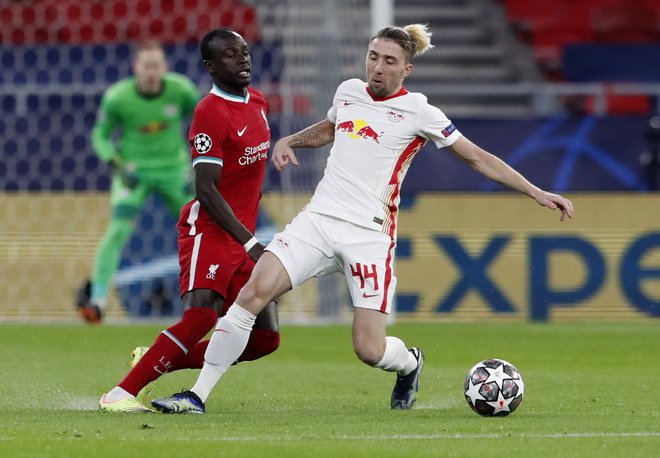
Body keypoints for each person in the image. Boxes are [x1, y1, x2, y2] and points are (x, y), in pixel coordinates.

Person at [151, 24, 574, 414]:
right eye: (373, 56)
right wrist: (291, 140)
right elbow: (333, 127)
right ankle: (197, 396)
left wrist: (536, 192)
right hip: (317, 220)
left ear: (406, 69)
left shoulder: (419, 111)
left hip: (370, 235)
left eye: (389, 61)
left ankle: (409, 363)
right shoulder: (349, 91)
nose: (377, 66)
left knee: (369, 350)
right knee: (252, 293)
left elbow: (477, 158)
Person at [98, 28, 280, 413]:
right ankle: (119, 395)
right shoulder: (209, 112)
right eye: (231, 55)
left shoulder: (259, 102)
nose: (243, 59)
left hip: (242, 237)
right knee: (201, 316)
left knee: (264, 340)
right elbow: (207, 190)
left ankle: (154, 359)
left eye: (245, 52)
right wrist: (250, 242)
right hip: (211, 230)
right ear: (211, 67)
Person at [77, 40, 201, 324]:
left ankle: (211, 296)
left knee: (199, 230)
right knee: (118, 230)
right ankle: (97, 300)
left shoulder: (181, 91)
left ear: (165, 67)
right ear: (136, 68)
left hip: (174, 172)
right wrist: (116, 165)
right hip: (133, 173)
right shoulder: (118, 98)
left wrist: (195, 164)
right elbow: (100, 136)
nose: (151, 72)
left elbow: (203, 123)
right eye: (146, 66)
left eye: (156, 66)